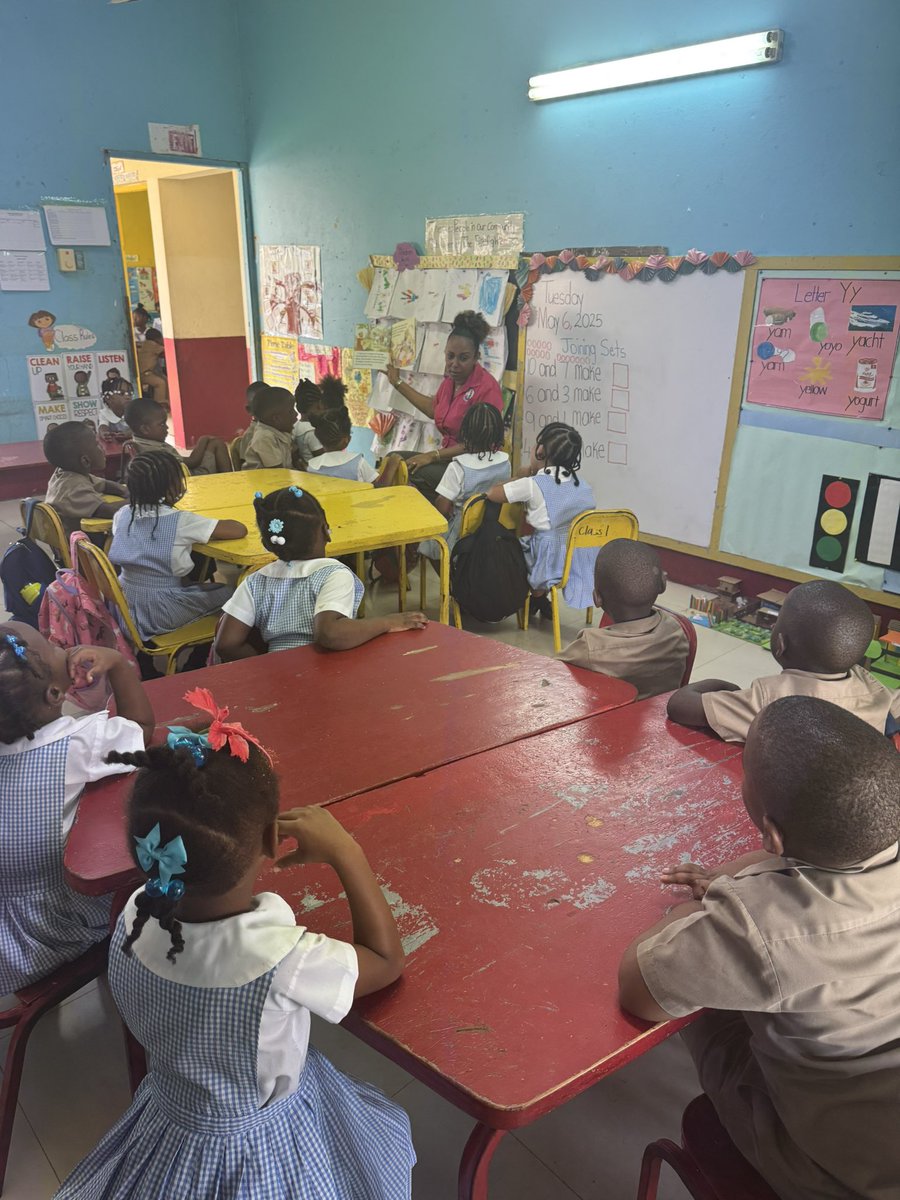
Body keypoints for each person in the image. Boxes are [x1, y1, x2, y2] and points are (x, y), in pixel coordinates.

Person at [53, 690, 415, 1199]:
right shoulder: (283, 960)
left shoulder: (134, 914)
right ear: (273, 841)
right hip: (265, 1147)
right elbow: (386, 961)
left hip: (172, 1118)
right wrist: (346, 852)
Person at [619, 696, 900, 1199]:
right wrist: (745, 881)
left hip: (836, 1173)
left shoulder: (765, 928)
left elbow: (640, 990)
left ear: (771, 832)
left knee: (703, 1008)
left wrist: (702, 913)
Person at [0, 623, 153, 995]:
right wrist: (117, 664)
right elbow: (143, 730)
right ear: (56, 693)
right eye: (50, 647)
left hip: (7, 931)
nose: (57, 643)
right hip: (54, 928)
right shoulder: (79, 745)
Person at [666, 579, 899, 741]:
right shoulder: (875, 690)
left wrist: (718, 684)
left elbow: (679, 706)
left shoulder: (769, 702)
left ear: (780, 644)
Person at [214, 486, 426, 660]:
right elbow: (329, 634)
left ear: (267, 544)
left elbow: (226, 644)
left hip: (276, 679)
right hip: (326, 674)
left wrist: (267, 664)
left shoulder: (255, 581)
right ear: (326, 530)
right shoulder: (333, 574)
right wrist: (388, 622)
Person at [109, 452, 245, 643]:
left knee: (203, 586)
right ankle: (200, 655)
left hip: (123, 602)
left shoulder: (122, 514)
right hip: (160, 610)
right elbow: (238, 530)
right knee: (232, 594)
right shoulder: (180, 521)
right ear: (171, 486)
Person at [381, 310, 503, 502]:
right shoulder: (450, 381)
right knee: (392, 459)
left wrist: (432, 456)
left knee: (410, 472)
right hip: (449, 460)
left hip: (472, 467)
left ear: (476, 357)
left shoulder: (487, 388)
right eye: (450, 356)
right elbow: (433, 409)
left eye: (463, 358)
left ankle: (428, 520)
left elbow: (478, 444)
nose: (454, 364)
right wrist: (396, 382)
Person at [486, 422, 596, 616]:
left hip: (545, 562)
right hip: (577, 559)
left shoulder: (533, 484)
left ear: (540, 451)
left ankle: (529, 598)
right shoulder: (583, 485)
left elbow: (492, 494)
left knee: (508, 546)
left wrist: (519, 477)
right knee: (546, 542)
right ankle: (539, 599)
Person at [558, 540, 691, 699]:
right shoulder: (676, 632)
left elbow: (550, 673)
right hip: (660, 718)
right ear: (662, 584)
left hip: (606, 721)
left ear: (597, 598)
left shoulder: (590, 647)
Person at [420, 402, 510, 560]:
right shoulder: (505, 463)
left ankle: (448, 578)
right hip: (493, 532)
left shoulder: (458, 467)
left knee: (428, 545)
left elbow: (443, 507)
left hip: (461, 537)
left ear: (465, 433)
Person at [43, 421, 128, 538]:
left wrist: (126, 492)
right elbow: (111, 511)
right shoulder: (73, 488)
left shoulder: (66, 473)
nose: (103, 448)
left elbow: (104, 484)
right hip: (85, 548)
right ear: (85, 461)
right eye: (97, 445)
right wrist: (141, 499)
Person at [124, 396, 232, 476]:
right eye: (161, 424)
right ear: (145, 429)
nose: (166, 428)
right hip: (191, 479)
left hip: (184, 472)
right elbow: (192, 462)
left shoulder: (142, 441)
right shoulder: (156, 450)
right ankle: (230, 482)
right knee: (217, 444)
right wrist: (202, 441)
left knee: (213, 443)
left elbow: (182, 460)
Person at [306, 406, 379, 483]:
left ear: (320, 440)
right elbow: (376, 485)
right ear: (346, 440)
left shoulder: (312, 466)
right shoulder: (358, 463)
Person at [242, 387, 299, 470]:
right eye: (291, 411)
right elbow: (277, 472)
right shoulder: (264, 437)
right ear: (276, 419)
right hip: (263, 481)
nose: (296, 414)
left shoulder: (281, 431)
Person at [294, 376, 345, 463]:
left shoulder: (296, 426)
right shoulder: (312, 431)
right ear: (319, 405)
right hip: (317, 472)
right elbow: (323, 458)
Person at [236, 379, 269, 464]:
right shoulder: (250, 436)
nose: (267, 409)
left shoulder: (279, 429)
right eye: (260, 405)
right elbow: (246, 467)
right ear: (249, 409)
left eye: (268, 403)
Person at [136, 328, 169, 408]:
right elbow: (167, 350)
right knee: (160, 383)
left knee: (165, 379)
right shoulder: (153, 345)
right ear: (157, 339)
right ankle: (159, 404)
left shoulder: (144, 344)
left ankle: (166, 400)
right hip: (144, 374)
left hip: (141, 372)